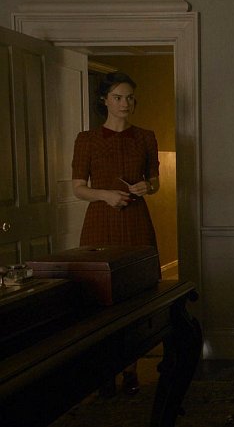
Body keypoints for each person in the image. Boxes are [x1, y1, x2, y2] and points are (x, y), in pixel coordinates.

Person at [72, 71, 160, 396]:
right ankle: (103, 370)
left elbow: (155, 182)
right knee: (99, 298)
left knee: (136, 294)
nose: (125, 103)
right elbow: (78, 188)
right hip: (101, 221)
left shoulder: (146, 137)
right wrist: (106, 195)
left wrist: (147, 186)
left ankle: (130, 368)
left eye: (130, 98)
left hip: (135, 220)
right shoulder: (87, 139)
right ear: (104, 100)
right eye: (118, 97)